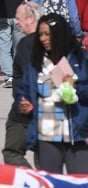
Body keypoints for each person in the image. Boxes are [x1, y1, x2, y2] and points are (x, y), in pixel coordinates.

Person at [18, 13, 88, 174]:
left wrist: (76, 86)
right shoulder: (36, 63)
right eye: (40, 34)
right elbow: (24, 92)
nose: (43, 38)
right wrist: (22, 104)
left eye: (47, 34)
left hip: (76, 137)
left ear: (59, 34)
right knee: (50, 183)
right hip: (47, 136)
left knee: (79, 183)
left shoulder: (79, 59)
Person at [2, 1, 44, 167]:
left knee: (12, 153)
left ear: (31, 19)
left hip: (27, 111)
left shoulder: (28, 44)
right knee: (44, 159)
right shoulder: (52, 42)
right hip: (46, 111)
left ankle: (35, 181)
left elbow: (31, 78)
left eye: (19, 18)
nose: (16, 22)